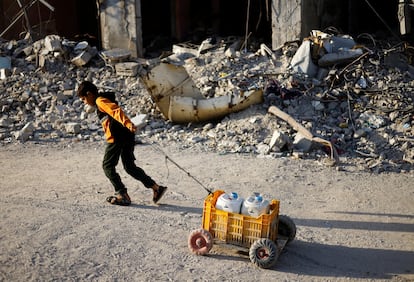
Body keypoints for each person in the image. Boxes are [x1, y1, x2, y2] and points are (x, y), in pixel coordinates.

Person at [76, 81, 167, 206]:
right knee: (130, 167)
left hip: (117, 138)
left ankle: (122, 194)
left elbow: (115, 111)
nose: (84, 102)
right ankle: (156, 188)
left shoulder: (100, 101)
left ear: (89, 94)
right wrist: (128, 125)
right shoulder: (103, 100)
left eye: (83, 99)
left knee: (107, 166)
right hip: (127, 135)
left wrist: (128, 123)